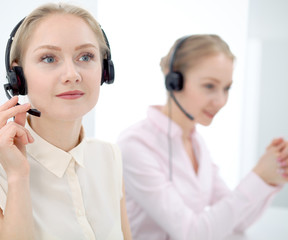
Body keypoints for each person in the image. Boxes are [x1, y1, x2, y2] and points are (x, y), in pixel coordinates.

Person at [0, 3, 131, 240]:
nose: (72, 74)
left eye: (86, 56)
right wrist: (17, 177)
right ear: (18, 77)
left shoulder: (109, 156)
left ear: (105, 70)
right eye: (48, 58)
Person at [117, 34, 288, 240]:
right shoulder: (135, 146)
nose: (220, 100)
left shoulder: (196, 143)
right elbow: (192, 233)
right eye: (209, 86)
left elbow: (238, 222)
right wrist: (259, 175)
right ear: (174, 81)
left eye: (226, 88)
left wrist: (269, 179)